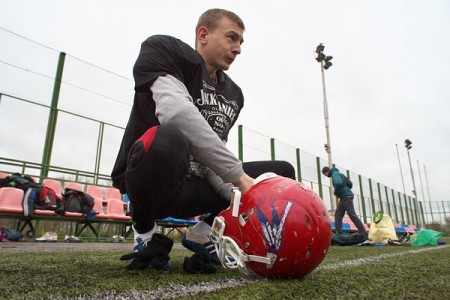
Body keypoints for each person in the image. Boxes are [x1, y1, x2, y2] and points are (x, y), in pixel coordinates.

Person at [111, 8, 296, 270]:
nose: (238, 48)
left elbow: (211, 152)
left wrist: (235, 192)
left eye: (241, 42)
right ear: (203, 34)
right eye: (232, 38)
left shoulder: (233, 94)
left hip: (194, 186)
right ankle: (144, 231)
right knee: (168, 138)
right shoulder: (165, 50)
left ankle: (203, 231)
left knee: (280, 173)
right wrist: (240, 179)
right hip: (153, 182)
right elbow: (174, 112)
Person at [322, 166, 367, 238]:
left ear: (326, 172)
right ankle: (338, 233)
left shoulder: (335, 174)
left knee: (352, 214)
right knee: (338, 214)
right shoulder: (340, 174)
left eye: (325, 174)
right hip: (344, 196)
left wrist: (336, 192)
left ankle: (363, 232)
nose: (326, 176)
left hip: (346, 196)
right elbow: (350, 184)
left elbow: (338, 183)